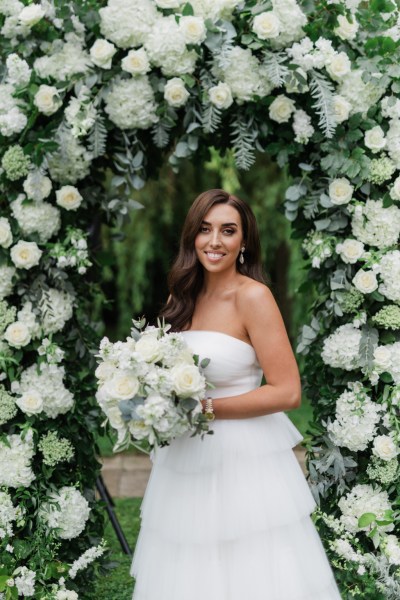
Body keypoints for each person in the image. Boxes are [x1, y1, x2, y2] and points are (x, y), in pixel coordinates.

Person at [131, 189, 342, 599]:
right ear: (192, 237)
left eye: (228, 231)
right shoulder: (182, 297)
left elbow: (287, 391)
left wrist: (205, 408)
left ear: (243, 241)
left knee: (250, 565)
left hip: (243, 457)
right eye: (205, 230)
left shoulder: (254, 297)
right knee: (188, 559)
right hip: (185, 452)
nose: (215, 242)